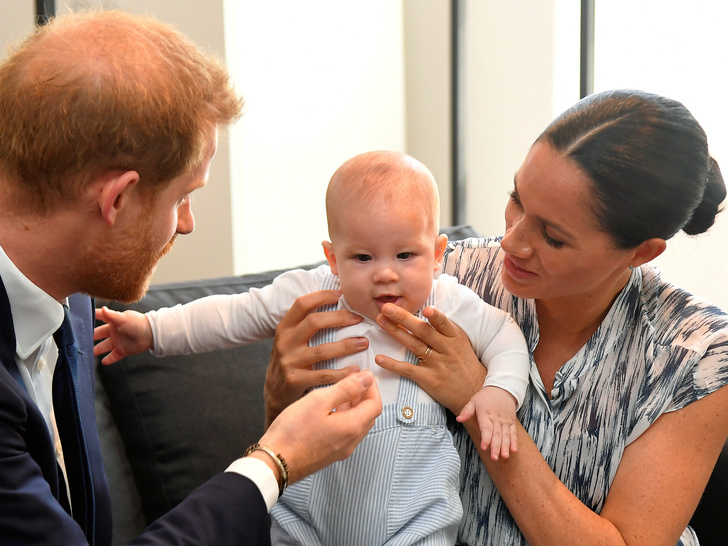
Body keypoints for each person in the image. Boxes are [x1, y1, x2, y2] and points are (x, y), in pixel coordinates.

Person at [265, 90, 728, 545]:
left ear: (640, 252)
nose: (512, 241)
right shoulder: (441, 275)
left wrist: (476, 398)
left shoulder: (696, 353)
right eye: (518, 200)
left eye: (553, 236)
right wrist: (280, 394)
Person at [0, 10, 381, 546]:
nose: (187, 223)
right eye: (183, 196)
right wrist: (275, 461)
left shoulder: (72, 291)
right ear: (118, 198)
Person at [94, 150, 530, 545]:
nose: (385, 275)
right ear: (332, 257)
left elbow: (505, 336)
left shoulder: (448, 301)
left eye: (405, 256)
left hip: (413, 524)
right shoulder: (312, 293)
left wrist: (498, 394)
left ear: (437, 254)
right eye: (362, 258)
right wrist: (151, 330)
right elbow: (232, 315)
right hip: (308, 519)